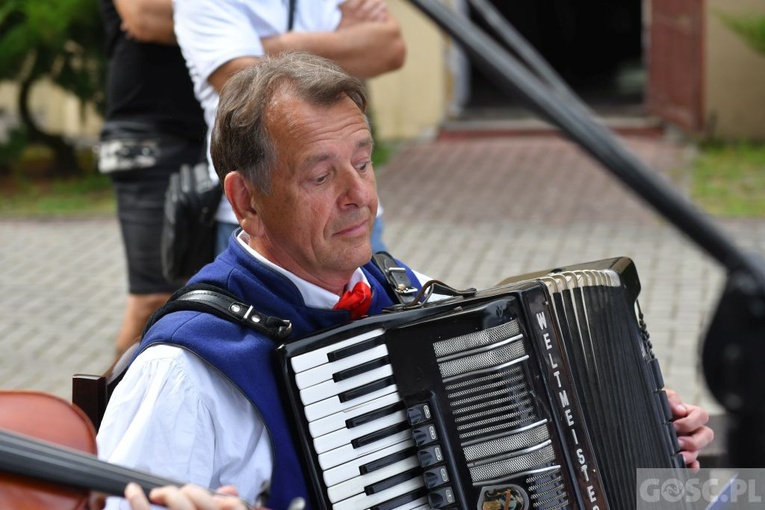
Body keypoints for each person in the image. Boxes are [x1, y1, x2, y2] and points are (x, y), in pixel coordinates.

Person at [96, 52, 714, 510]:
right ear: (246, 201)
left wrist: (648, 443)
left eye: (364, 162)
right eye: (321, 177)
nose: (360, 196)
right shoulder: (184, 374)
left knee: (736, 494)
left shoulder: (406, 290)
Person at [171, 0, 406, 255]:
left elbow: (391, 48)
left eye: (363, 164)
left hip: (362, 223)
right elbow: (244, 81)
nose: (360, 193)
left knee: (378, 291)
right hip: (263, 217)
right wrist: (341, 40)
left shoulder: (357, 193)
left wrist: (274, 46)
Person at [98, 0, 206, 358]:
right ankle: (99, 414)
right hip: (147, 135)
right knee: (153, 297)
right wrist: (227, 25)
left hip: (213, 132)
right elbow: (145, 17)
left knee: (205, 291)